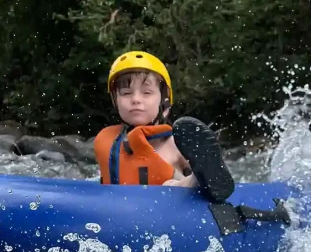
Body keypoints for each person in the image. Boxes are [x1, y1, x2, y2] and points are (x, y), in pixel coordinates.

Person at [94, 50, 235, 203]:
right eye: (126, 93)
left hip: (167, 210)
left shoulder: (175, 143)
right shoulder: (106, 140)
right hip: (117, 213)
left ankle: (197, 178)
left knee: (171, 185)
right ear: (116, 101)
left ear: (164, 102)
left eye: (146, 92)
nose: (135, 99)